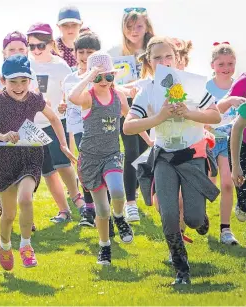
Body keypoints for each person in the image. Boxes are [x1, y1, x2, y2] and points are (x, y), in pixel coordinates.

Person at [123, 36, 221, 285]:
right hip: (164, 158)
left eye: (168, 56)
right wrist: (159, 117)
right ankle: (181, 269)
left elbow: (216, 116)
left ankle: (199, 216)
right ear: (148, 61)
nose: (164, 61)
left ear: (177, 59)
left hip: (192, 156)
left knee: (194, 219)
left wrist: (189, 113)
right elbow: (128, 127)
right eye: (157, 58)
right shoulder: (147, 89)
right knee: (168, 214)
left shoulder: (194, 84)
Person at [0, 54, 76, 270]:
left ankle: (26, 246)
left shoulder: (35, 99)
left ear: (30, 80)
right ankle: (4, 244)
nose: (19, 87)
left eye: (23, 81)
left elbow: (55, 119)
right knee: (8, 215)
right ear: (3, 81)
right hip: (3, 158)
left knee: (26, 198)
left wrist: (63, 145)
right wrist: (1, 136)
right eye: (13, 82)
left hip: (30, 154)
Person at [69, 51, 134, 264]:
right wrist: (89, 76)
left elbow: (131, 118)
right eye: (98, 77)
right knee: (102, 210)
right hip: (89, 159)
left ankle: (120, 217)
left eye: (108, 76)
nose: (103, 81)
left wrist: (149, 139)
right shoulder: (88, 97)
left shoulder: (119, 96)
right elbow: (71, 96)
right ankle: (104, 246)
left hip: (112, 154)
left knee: (117, 190)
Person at [27, 22, 87, 223]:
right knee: (48, 171)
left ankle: (78, 199)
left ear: (51, 44)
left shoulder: (60, 66)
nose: (36, 50)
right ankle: (63, 211)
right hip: (32, 124)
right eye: (32, 46)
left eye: (40, 46)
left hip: (55, 121)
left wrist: (63, 103)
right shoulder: (26, 64)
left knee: (63, 164)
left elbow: (68, 93)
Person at [108, 7, 155, 223]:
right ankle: (130, 203)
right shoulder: (115, 52)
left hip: (151, 107)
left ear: (146, 27)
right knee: (131, 149)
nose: (134, 31)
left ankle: (133, 187)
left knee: (146, 149)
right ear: (123, 29)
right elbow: (109, 81)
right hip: (124, 107)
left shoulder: (155, 48)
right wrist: (125, 89)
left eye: (138, 26)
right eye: (129, 26)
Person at [0, 30, 39, 231]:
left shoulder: (30, 73)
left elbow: (35, 98)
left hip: (28, 135)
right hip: (3, 137)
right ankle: (7, 215)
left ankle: (26, 218)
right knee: (7, 179)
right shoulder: (0, 77)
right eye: (12, 49)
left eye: (20, 48)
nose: (16, 52)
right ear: (4, 52)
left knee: (26, 181)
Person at [59, 33, 101, 228]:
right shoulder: (70, 78)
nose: (84, 56)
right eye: (81, 52)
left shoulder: (102, 76)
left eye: (90, 52)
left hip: (100, 129)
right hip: (78, 129)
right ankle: (89, 210)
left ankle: (104, 208)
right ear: (74, 53)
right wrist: (62, 105)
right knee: (84, 168)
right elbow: (66, 99)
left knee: (101, 168)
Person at [205, 42, 239, 245]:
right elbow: (205, 114)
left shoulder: (238, 85)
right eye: (221, 64)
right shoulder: (206, 87)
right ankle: (200, 216)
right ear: (212, 65)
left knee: (227, 183)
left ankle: (225, 229)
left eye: (230, 63)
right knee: (209, 186)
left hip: (228, 141)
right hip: (208, 140)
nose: (226, 68)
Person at [225, 73, 246, 222]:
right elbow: (237, 128)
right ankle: (243, 206)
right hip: (242, 145)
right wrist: (236, 165)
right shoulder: (243, 81)